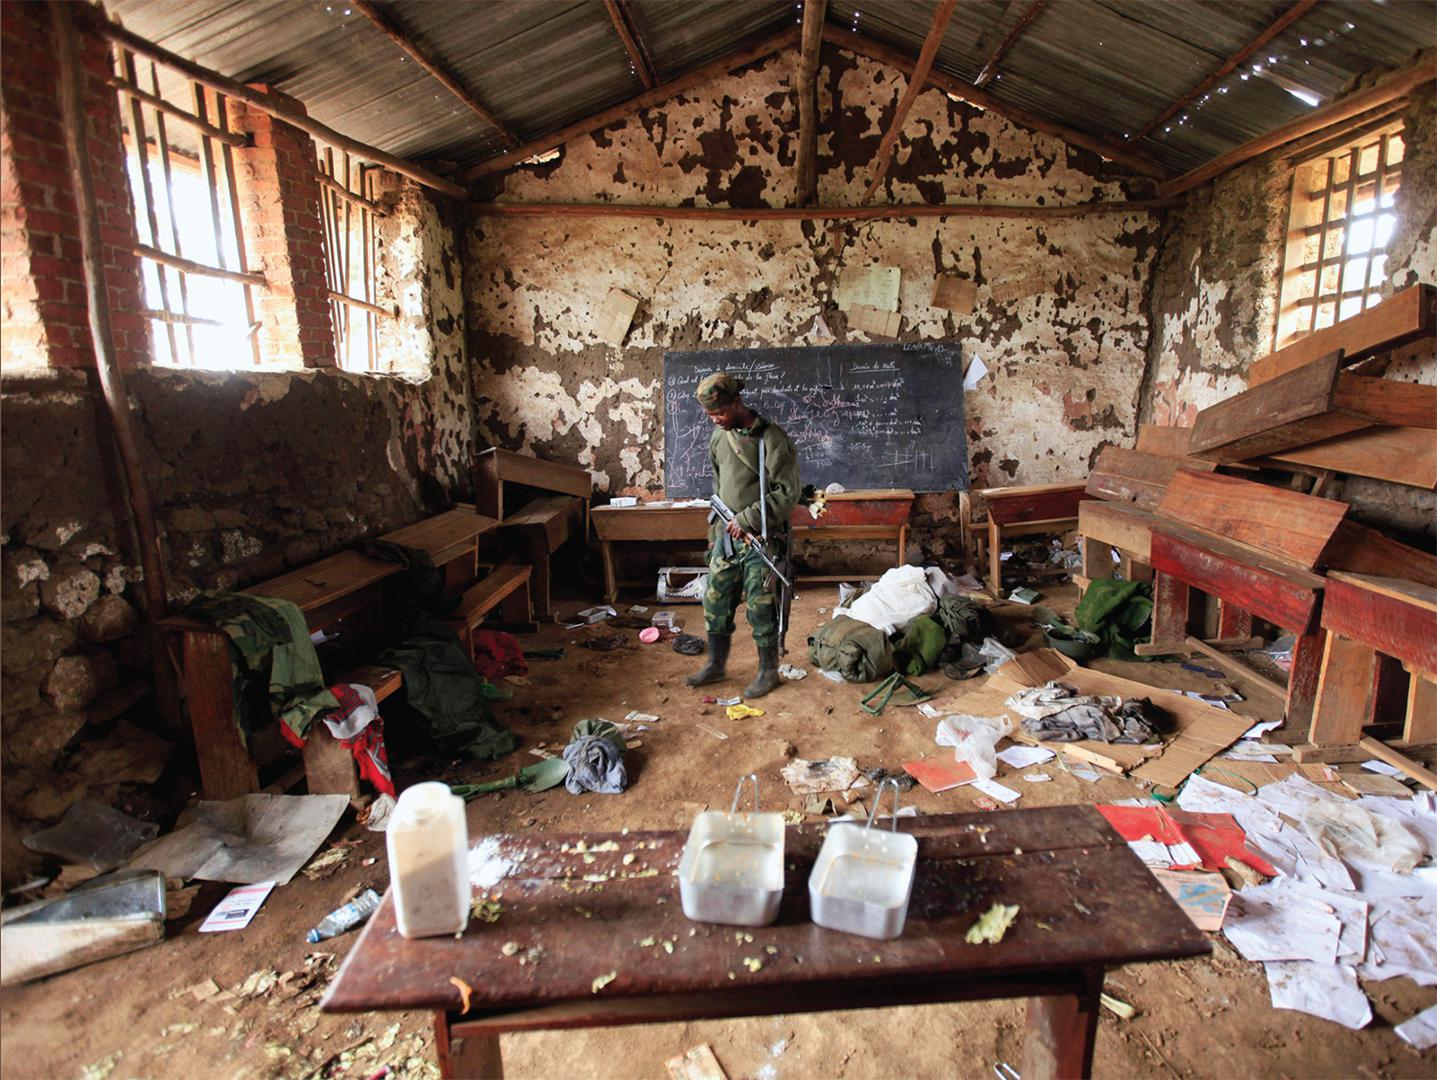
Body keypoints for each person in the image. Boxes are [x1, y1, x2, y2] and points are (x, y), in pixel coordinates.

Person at [685, 372, 800, 698]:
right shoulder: (719, 439)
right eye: (709, 415)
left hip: (762, 539)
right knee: (715, 600)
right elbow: (718, 491)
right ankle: (716, 666)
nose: (715, 420)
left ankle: (768, 672)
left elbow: (787, 492)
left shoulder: (772, 440)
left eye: (720, 412)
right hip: (726, 538)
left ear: (737, 402)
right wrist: (713, 535)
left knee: (761, 607)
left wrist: (748, 518)